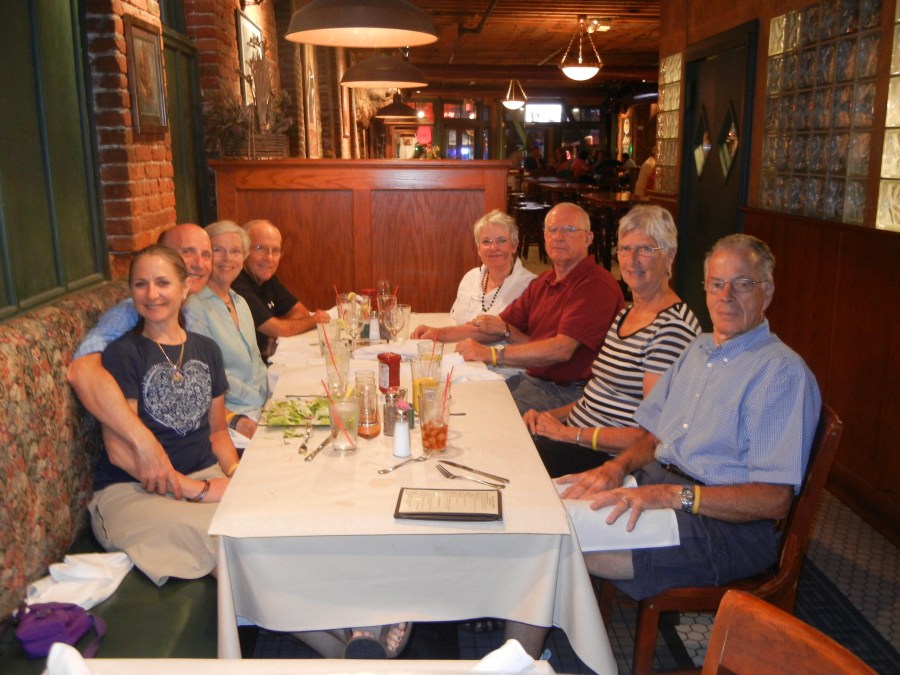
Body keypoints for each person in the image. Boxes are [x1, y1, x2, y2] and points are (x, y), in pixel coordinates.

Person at [506, 234, 821, 657]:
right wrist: (614, 468)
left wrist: (671, 495)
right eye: (716, 283)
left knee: (545, 537)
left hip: (722, 528)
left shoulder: (780, 373)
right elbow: (653, 435)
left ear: (768, 291)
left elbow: (774, 500)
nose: (726, 296)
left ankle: (522, 661)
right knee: (532, 508)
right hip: (654, 485)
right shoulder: (700, 348)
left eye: (742, 284)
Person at [88, 245, 239, 584]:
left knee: (260, 526)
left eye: (162, 282)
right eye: (140, 284)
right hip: (135, 490)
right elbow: (119, 450)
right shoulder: (122, 355)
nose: (151, 294)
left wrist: (235, 474)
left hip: (202, 476)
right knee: (225, 538)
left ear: (185, 288)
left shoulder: (207, 350)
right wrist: (191, 488)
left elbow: (217, 433)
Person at [523, 205, 700, 477]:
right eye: (625, 249)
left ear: (669, 256)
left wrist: (569, 434)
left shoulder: (671, 328)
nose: (632, 260)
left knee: (511, 463)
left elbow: (650, 436)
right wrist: (551, 417)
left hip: (608, 459)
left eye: (645, 249)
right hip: (577, 436)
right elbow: (598, 395)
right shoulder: (627, 314)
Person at [68, 223, 215, 500]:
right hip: (142, 479)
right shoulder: (130, 315)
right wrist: (145, 441)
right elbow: (82, 371)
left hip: (201, 452)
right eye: (187, 252)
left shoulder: (192, 314)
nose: (198, 263)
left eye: (206, 254)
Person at [451, 202, 625, 413]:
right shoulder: (544, 281)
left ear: (588, 238)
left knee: (481, 415)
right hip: (534, 379)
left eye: (570, 229)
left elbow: (562, 349)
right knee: (462, 399)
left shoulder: (596, 284)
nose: (558, 237)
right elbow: (495, 327)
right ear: (544, 237)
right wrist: (434, 334)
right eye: (552, 230)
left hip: (569, 392)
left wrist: (492, 354)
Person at [185, 221, 268, 441]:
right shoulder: (194, 306)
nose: (227, 258)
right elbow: (208, 374)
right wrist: (255, 399)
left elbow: (256, 360)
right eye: (218, 250)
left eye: (235, 251)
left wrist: (268, 396)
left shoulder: (240, 301)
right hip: (228, 418)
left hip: (258, 405)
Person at [412, 209, 536, 332]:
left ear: (514, 246)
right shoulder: (470, 277)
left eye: (501, 240)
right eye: (486, 241)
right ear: (478, 249)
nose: (493, 247)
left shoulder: (531, 286)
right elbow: (454, 320)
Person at [231, 219, 329, 360]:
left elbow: (301, 312)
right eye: (260, 248)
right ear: (244, 250)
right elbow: (280, 328)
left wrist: (273, 332)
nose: (269, 258)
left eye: (275, 250)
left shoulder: (267, 279)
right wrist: (314, 320)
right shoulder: (236, 283)